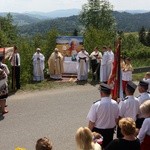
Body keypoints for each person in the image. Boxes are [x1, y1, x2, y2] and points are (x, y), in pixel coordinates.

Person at [87, 83, 119, 148]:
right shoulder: (115, 103)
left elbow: (91, 122)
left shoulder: (96, 105)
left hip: (97, 132)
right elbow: (116, 119)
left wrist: (88, 133)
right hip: (110, 132)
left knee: (97, 148)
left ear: (101, 93)